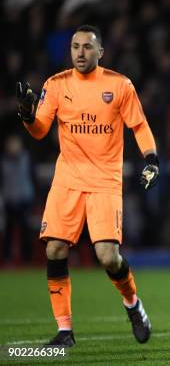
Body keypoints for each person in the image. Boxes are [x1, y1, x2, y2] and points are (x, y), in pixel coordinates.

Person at [15, 25, 158, 346]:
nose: (80, 52)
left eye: (87, 47)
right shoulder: (56, 84)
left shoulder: (119, 85)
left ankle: (133, 305)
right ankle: (65, 331)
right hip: (67, 179)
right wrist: (26, 114)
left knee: (108, 256)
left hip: (105, 181)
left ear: (100, 52)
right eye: (75, 47)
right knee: (54, 248)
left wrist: (152, 159)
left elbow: (139, 124)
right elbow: (39, 131)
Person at [1, 134, 35, 265]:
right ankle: (7, 259)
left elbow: (34, 177)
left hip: (25, 200)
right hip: (8, 201)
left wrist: (34, 196)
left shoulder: (27, 158)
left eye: (15, 143)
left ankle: (28, 260)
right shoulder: (2, 161)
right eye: (11, 143)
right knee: (8, 232)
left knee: (26, 230)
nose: (13, 147)